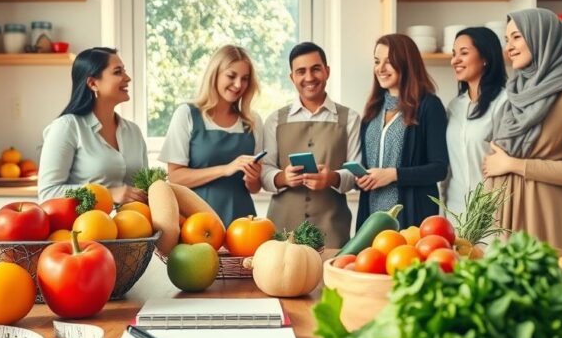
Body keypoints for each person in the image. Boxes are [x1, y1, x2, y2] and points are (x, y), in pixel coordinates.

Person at [484, 8, 562, 254]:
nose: (509, 47)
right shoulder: (514, 93)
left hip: (548, 223)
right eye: (507, 40)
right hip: (505, 225)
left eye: (517, 37)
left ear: (543, 37)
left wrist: (514, 165)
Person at [262, 42, 362, 248]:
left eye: (315, 69)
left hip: (332, 230)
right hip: (282, 229)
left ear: (327, 71)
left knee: (330, 280)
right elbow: (264, 170)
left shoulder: (350, 118)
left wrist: (332, 177)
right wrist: (284, 177)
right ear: (292, 77)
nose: (309, 77)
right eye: (301, 71)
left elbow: (356, 172)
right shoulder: (275, 120)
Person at [159, 45, 263, 226]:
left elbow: (255, 188)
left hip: (243, 222)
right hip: (197, 220)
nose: (238, 85)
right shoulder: (187, 114)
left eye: (244, 79)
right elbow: (175, 177)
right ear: (214, 74)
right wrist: (225, 169)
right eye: (231, 76)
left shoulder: (252, 121)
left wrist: (253, 178)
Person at [356, 34, 448, 230]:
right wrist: (362, 177)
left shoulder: (429, 106)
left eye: (389, 62)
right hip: (372, 218)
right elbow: (369, 164)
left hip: (410, 218)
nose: (380, 69)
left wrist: (394, 175)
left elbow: (439, 169)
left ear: (407, 63)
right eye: (376, 61)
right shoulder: (373, 109)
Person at [38, 47, 148, 203]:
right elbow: (48, 193)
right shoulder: (67, 127)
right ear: (92, 83)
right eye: (118, 72)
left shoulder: (134, 132)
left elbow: (144, 187)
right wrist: (107, 194)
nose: (128, 78)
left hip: (134, 225)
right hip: (85, 226)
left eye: (125, 71)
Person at [441, 27, 508, 215]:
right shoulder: (454, 106)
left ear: (485, 57)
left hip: (493, 212)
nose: (455, 60)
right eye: (454, 54)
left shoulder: (505, 102)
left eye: (464, 53)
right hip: (455, 211)